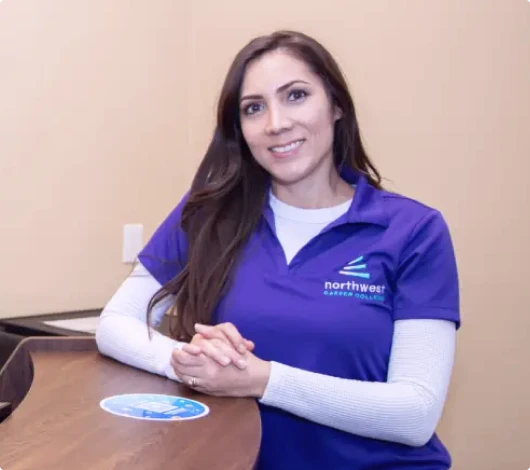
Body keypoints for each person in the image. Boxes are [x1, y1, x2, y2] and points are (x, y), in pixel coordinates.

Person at [95, 30, 460, 470]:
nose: (276, 123)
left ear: (336, 105)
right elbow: (115, 323)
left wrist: (262, 379)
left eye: (296, 96)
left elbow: (415, 413)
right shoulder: (210, 214)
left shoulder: (413, 231)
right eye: (254, 108)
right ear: (240, 130)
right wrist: (186, 361)